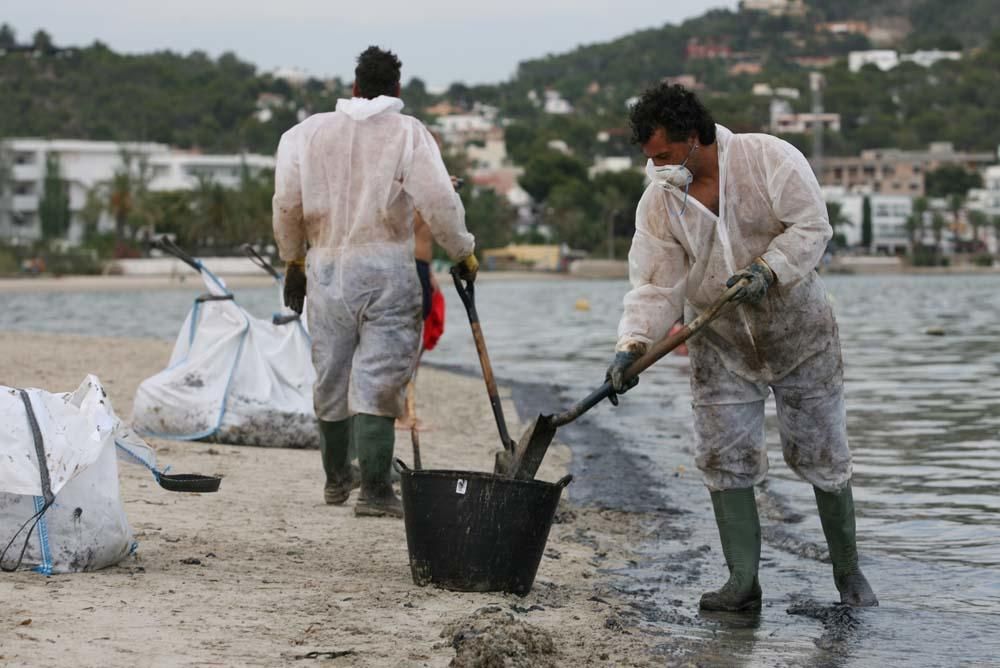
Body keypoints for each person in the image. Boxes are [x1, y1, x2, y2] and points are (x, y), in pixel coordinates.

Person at [606, 83, 877, 611]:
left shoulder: (767, 158)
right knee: (722, 454)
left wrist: (767, 269)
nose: (657, 166)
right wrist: (632, 344)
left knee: (822, 451)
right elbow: (656, 283)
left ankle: (849, 576)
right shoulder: (661, 200)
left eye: (664, 155)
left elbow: (811, 225)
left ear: (694, 138)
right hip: (721, 341)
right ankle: (743, 583)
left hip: (797, 331)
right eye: (649, 158)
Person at [272, 46, 478, 518]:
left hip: (325, 269)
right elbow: (440, 202)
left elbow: (286, 203)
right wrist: (463, 251)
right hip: (387, 269)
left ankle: (336, 478)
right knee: (379, 378)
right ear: (398, 89)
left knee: (331, 373)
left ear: (354, 87)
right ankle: (376, 492)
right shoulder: (409, 133)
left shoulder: (304, 135)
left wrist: (293, 262)